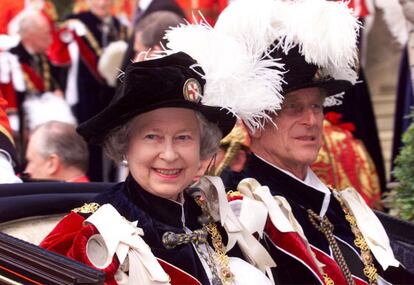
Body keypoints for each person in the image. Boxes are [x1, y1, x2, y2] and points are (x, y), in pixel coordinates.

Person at [213, 0, 414, 284]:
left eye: (317, 106)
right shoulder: (240, 212)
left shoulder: (341, 206)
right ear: (255, 122)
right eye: (293, 107)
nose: (311, 120)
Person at [40, 52, 278, 284]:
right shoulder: (88, 232)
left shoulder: (215, 216)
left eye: (183, 137)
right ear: (125, 146)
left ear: (201, 148)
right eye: (152, 136)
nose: (169, 154)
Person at [24, 121, 89, 182]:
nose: (27, 170)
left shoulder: (63, 193)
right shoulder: (93, 191)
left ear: (52, 163)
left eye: (31, 161)